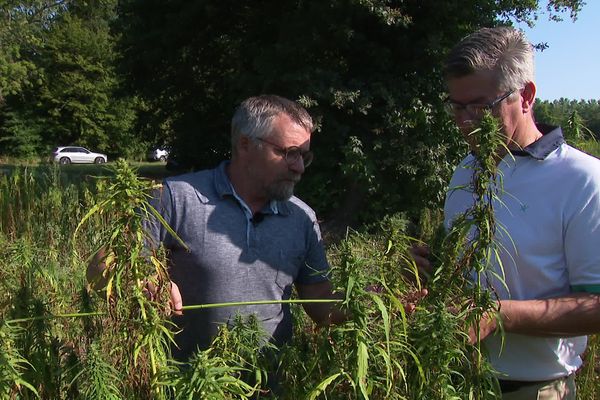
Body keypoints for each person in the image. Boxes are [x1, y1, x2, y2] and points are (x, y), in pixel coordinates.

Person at [89, 95, 344, 361]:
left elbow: (319, 301)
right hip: (191, 382)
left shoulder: (302, 218)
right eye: (289, 153)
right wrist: (145, 282)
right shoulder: (177, 198)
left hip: (267, 386)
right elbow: (100, 266)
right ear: (245, 145)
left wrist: (365, 302)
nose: (299, 167)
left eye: (304, 156)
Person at [442, 26, 600, 399]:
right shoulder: (465, 171)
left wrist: (497, 315)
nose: (465, 122)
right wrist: (433, 268)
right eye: (457, 106)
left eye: (481, 106)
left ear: (525, 95)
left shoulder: (581, 179)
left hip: (535, 389)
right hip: (455, 380)